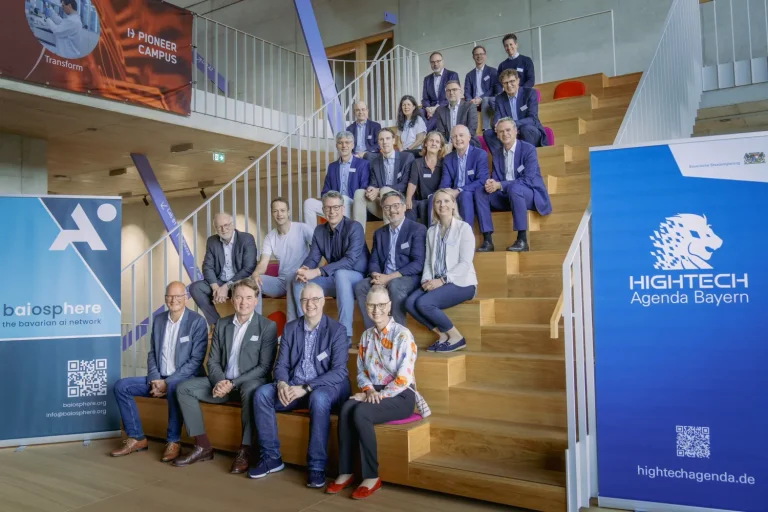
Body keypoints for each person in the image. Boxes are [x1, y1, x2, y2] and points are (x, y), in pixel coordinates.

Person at [327, 285, 429, 499]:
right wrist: (368, 390)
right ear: (366, 306)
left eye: (381, 305)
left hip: (400, 395)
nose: (376, 310)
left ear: (389, 305)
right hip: (373, 391)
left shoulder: (403, 334)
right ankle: (345, 471)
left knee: (361, 412)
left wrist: (375, 395)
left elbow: (403, 377)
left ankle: (371, 476)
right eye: (372, 305)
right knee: (346, 407)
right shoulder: (366, 336)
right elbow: (362, 371)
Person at [249, 283, 350, 488]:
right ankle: (271, 458)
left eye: (314, 300)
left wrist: (306, 388)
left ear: (323, 302)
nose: (309, 304)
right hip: (294, 386)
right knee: (261, 394)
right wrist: (282, 384)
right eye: (304, 300)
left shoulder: (337, 330)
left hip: (327, 387)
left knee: (318, 398)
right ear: (299, 302)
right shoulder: (290, 328)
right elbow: (282, 364)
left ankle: (316, 466)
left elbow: (339, 372)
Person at [174, 278, 278, 473]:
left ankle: (246, 449)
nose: (243, 302)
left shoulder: (267, 326)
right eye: (238, 297)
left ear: (256, 300)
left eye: (249, 297)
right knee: (183, 388)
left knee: (249, 388)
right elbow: (212, 361)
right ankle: (202, 445)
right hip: (221, 383)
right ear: (232, 300)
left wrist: (233, 383)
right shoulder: (221, 324)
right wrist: (221, 381)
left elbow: (264, 368)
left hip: (249, 384)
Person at [110, 282, 208, 462]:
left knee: (174, 388)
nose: (174, 300)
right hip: (159, 377)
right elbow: (152, 353)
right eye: (170, 296)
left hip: (185, 379)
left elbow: (195, 361)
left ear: (186, 298)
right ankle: (137, 438)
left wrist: (167, 382)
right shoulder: (159, 319)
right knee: (121, 386)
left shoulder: (197, 321)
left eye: (178, 296)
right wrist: (155, 379)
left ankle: (173, 441)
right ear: (165, 299)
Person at [405, 190, 477, 353]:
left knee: (424, 303)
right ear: (434, 206)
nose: (442, 205)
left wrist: (442, 281)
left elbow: (465, 264)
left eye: (446, 201)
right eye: (438, 202)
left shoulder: (463, 228)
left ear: (453, 204)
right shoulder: (432, 231)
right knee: (409, 302)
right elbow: (429, 262)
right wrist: (426, 280)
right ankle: (443, 335)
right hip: (437, 281)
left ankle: (457, 337)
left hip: (462, 283)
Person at [294, 191, 370, 345]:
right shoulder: (319, 230)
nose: (332, 211)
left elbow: (350, 261)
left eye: (336, 207)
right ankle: (305, 330)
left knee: (341, 274)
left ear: (342, 209)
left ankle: (345, 334)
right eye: (328, 208)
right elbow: (313, 257)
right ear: (323, 210)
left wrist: (317, 271)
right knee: (297, 281)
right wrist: (304, 269)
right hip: (334, 279)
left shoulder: (354, 227)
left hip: (356, 277)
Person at [475, 118, 552, 252]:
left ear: (516, 131)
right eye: (501, 132)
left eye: (508, 130)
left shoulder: (528, 149)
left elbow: (528, 180)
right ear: (497, 135)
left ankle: (522, 239)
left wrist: (500, 185)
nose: (505, 134)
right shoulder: (497, 154)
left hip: (529, 194)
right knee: (479, 192)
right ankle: (487, 240)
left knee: (515, 188)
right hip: (507, 196)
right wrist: (491, 183)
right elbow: (497, 179)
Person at [354, 191, 426, 329]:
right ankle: (372, 332)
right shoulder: (379, 233)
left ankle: (397, 334)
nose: (392, 210)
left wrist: (388, 278)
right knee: (361, 286)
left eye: (396, 205)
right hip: (384, 276)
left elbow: (418, 263)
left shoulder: (417, 229)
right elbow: (374, 260)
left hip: (408, 277)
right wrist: (376, 276)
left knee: (395, 285)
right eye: (387, 207)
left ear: (404, 207)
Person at [189, 213, 258, 325]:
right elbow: (207, 266)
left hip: (240, 282)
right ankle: (217, 324)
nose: (224, 229)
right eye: (219, 226)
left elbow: (249, 268)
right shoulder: (212, 241)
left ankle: (246, 325)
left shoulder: (246, 239)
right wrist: (216, 287)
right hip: (219, 283)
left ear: (232, 224)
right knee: (195, 288)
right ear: (215, 228)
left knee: (245, 289)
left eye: (226, 225)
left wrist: (227, 286)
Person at [252, 198, 313, 322]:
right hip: (281, 282)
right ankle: (255, 325)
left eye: (282, 210)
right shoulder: (270, 237)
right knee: (253, 282)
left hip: (301, 279)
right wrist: (256, 273)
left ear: (288, 212)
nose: (279, 214)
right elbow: (263, 263)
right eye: (275, 211)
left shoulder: (302, 228)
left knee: (292, 277)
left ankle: (291, 326)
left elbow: (318, 251)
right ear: (272, 213)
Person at [303, 131, 369, 229]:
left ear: (352, 145)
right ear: (336, 145)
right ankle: (313, 240)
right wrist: (329, 201)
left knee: (343, 198)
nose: (344, 145)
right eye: (340, 142)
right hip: (333, 205)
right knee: (308, 203)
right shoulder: (332, 166)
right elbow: (325, 190)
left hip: (351, 204)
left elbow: (364, 187)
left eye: (347, 142)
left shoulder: (362, 164)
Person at [357, 128, 415, 223]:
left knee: (385, 190)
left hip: (401, 204)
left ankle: (387, 236)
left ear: (393, 140)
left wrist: (379, 190)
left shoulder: (407, 158)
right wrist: (371, 189)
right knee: (359, 193)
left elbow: (405, 184)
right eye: (381, 139)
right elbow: (373, 183)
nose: (385, 142)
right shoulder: (375, 162)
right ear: (378, 143)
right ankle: (358, 237)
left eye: (388, 138)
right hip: (383, 205)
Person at [436, 125, 488, 229]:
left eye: (461, 135)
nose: (458, 139)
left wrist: (459, 190)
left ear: (469, 137)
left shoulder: (480, 154)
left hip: (473, 193)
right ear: (451, 140)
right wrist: (446, 193)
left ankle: (467, 236)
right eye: (454, 137)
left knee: (465, 196)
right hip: (453, 194)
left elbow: (482, 180)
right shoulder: (448, 158)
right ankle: (436, 238)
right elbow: (445, 182)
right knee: (436, 199)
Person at [483, 69, 547, 153]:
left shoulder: (530, 93)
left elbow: (532, 119)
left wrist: (512, 124)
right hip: (509, 131)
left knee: (526, 129)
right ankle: (502, 161)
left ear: (518, 81)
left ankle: (525, 159)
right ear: (502, 84)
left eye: (512, 81)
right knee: (488, 133)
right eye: (505, 83)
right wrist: (498, 125)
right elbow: (496, 119)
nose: (509, 85)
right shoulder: (499, 98)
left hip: (529, 130)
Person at [405, 131, 447, 226]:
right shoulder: (417, 163)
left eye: (437, 142)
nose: (433, 143)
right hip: (421, 199)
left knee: (426, 204)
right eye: (431, 140)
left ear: (440, 147)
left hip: (438, 200)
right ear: (425, 143)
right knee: (409, 208)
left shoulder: (444, 163)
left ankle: (428, 237)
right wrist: (408, 198)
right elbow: (412, 183)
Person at [421, 52, 460, 131]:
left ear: (443, 62)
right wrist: (428, 109)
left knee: (438, 112)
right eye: (433, 62)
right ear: (430, 64)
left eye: (438, 61)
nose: (435, 64)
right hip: (430, 109)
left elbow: (453, 96)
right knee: (418, 112)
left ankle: (424, 134)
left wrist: (436, 108)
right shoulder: (427, 79)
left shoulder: (452, 75)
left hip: (445, 106)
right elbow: (425, 98)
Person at [435, 79, 479, 148]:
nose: (451, 93)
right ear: (445, 94)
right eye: (448, 90)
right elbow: (441, 133)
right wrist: (448, 146)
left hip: (467, 143)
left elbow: (471, 130)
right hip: (448, 146)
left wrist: (455, 145)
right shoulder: (440, 110)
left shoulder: (470, 107)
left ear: (460, 92)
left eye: (454, 89)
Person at [464, 45, 500, 130]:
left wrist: (480, 98)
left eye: (481, 54)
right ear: (473, 57)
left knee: (485, 100)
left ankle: (486, 129)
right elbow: (467, 91)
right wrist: (470, 100)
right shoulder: (469, 75)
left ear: (485, 55)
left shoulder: (492, 71)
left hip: (487, 101)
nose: (479, 56)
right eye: (476, 54)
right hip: (474, 102)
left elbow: (493, 88)